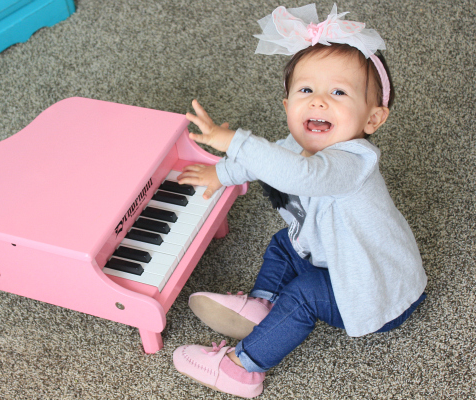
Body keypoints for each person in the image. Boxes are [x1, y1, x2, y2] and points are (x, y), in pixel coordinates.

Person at [172, 4, 427, 398]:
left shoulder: (354, 162)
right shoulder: (297, 145)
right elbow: (268, 161)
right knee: (283, 244)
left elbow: (299, 174)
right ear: (287, 106)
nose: (319, 101)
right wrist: (221, 172)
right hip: (336, 255)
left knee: (305, 293)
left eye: (338, 92)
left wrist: (235, 141)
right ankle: (262, 307)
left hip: (379, 290)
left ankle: (243, 368)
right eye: (306, 90)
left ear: (372, 120)